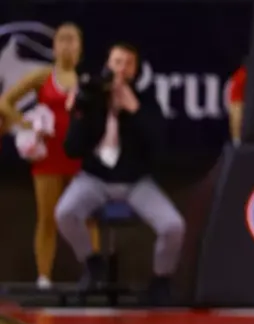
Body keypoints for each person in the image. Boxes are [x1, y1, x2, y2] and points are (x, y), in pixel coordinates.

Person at [56, 43, 184, 306]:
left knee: (173, 226)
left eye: (128, 64)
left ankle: (161, 281)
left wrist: (134, 111)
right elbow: (71, 149)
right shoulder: (91, 98)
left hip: (135, 181)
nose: (121, 69)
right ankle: (92, 265)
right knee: (64, 213)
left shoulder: (146, 101)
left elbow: (161, 149)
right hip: (95, 178)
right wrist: (78, 114)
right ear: (107, 65)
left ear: (135, 70)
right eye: (117, 62)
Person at [0, 23, 96, 289]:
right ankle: (44, 277)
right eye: (61, 39)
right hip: (49, 156)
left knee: (87, 217)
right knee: (47, 217)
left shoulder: (87, 80)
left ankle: (92, 274)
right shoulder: (43, 76)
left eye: (72, 39)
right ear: (53, 48)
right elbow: (4, 102)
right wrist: (24, 123)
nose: (66, 44)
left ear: (80, 48)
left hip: (79, 157)